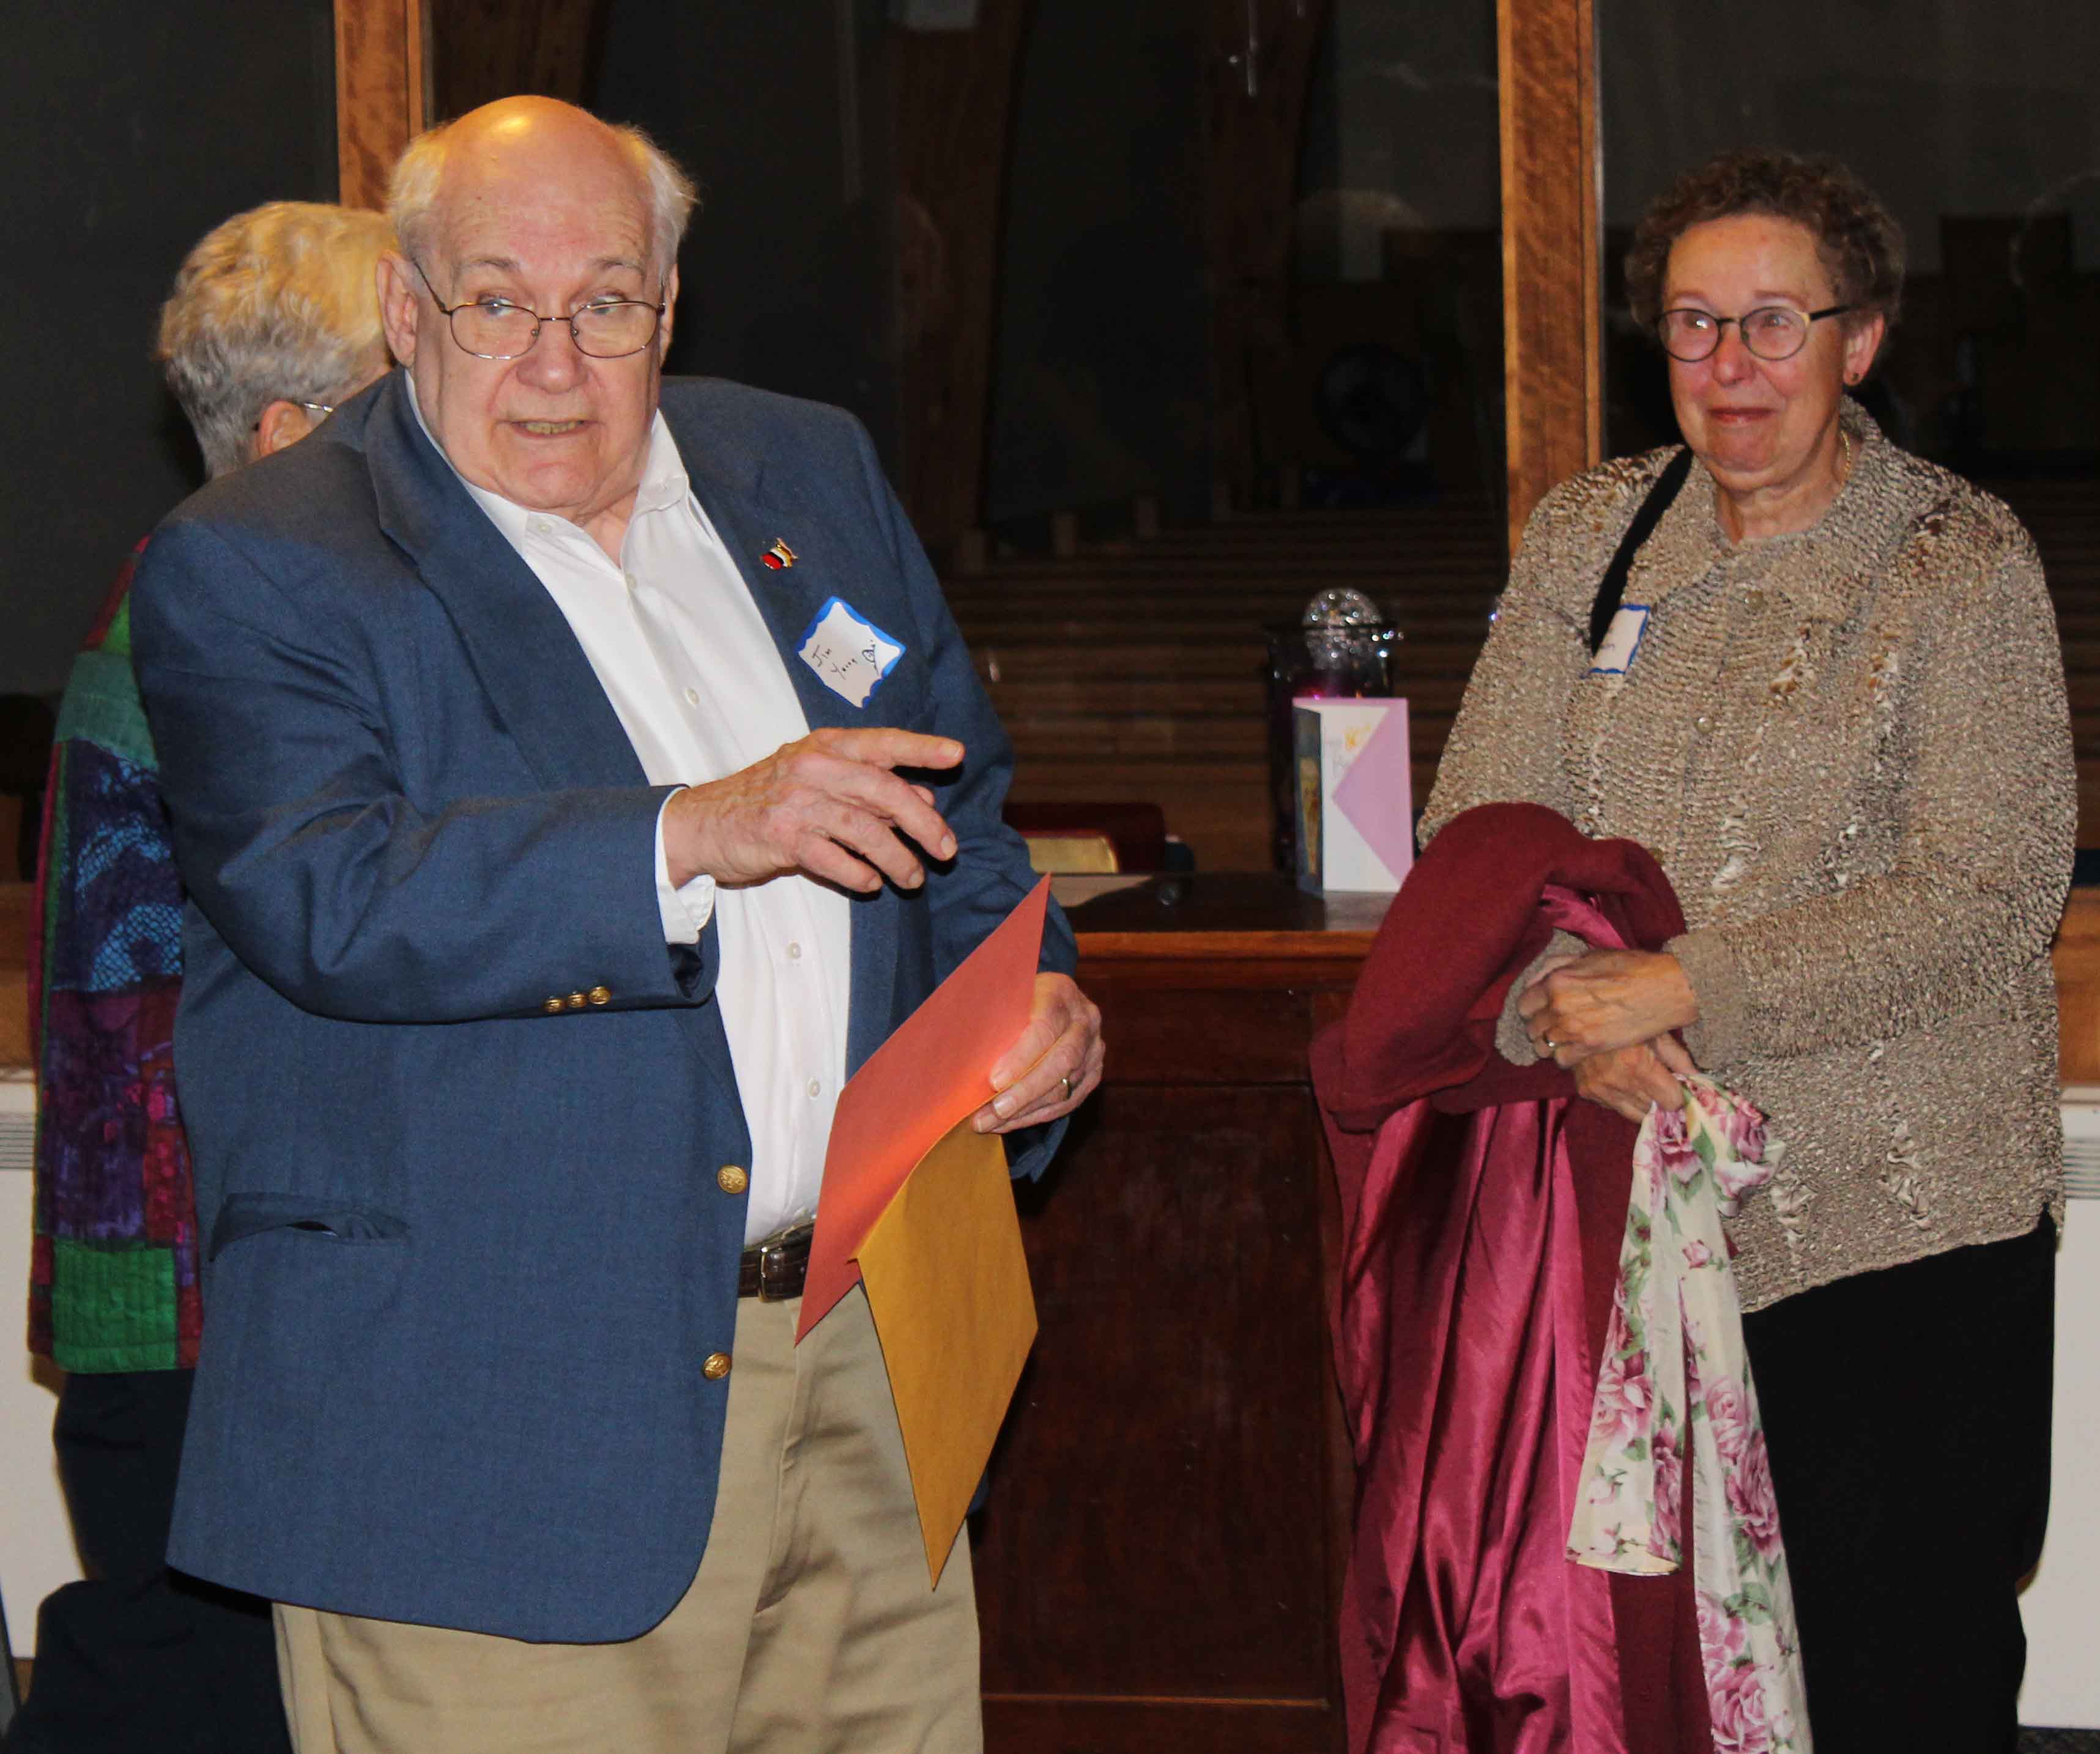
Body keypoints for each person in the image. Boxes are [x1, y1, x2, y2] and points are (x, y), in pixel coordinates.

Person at [127, 97, 1103, 1754]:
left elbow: (962, 822)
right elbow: (328, 895)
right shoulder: (263, 560)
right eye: (497, 301)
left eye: (606, 303)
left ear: (670, 303)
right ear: (405, 309)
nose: (555, 362)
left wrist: (1038, 1003)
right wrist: (689, 830)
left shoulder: (802, 471)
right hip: (486, 1431)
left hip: (868, 1368)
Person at [1423, 148, 2071, 1748]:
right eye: (1694, 324)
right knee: (1666, 1691)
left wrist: (1685, 984)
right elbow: (1477, 835)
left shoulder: (1957, 558)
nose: (1731, 366)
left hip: (1896, 1230)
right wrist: (1563, 1015)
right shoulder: (1591, 535)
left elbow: (1987, 887)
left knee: (1894, 1683)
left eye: (1776, 322)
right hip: (1637, 1197)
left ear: (1863, 340)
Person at [13, 200, 394, 1754]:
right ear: (292, 435)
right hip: (195, 1296)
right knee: (184, 1694)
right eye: (404, 391)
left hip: (189, 1278)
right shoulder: (212, 617)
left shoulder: (214, 592)